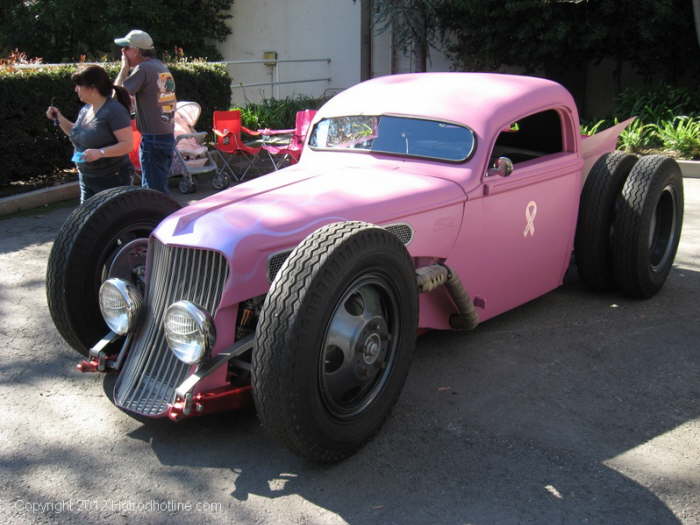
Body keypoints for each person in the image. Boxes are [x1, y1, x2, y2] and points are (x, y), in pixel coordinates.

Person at [46, 65, 134, 203]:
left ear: (92, 88)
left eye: (78, 85)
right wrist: (59, 117)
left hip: (112, 177)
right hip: (87, 177)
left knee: (110, 221)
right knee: (86, 221)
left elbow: (128, 144)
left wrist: (100, 152)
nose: (75, 89)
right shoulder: (86, 108)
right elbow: (75, 132)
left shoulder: (114, 111)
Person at [114, 29, 176, 193]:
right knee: (160, 190)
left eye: (126, 48)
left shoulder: (143, 68)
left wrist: (123, 69)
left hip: (153, 140)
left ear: (136, 50)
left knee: (152, 195)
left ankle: (159, 219)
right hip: (166, 137)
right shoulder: (160, 67)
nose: (123, 52)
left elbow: (116, 96)